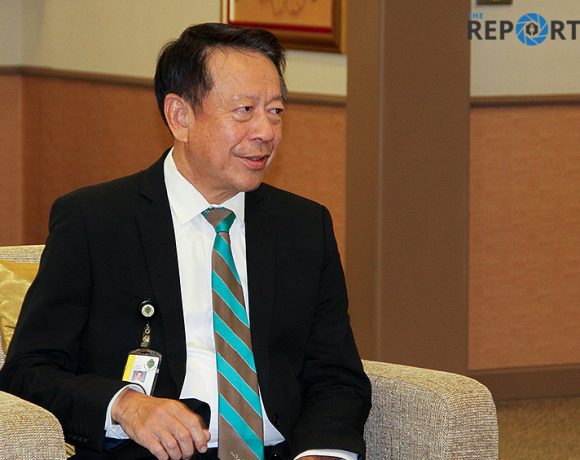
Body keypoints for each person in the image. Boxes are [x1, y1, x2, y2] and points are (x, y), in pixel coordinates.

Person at [0, 23, 371, 460]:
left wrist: (322, 453)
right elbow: (28, 372)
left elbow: (337, 377)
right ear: (180, 117)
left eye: (275, 111)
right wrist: (125, 406)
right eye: (245, 110)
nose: (266, 132)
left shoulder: (303, 226)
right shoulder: (95, 222)